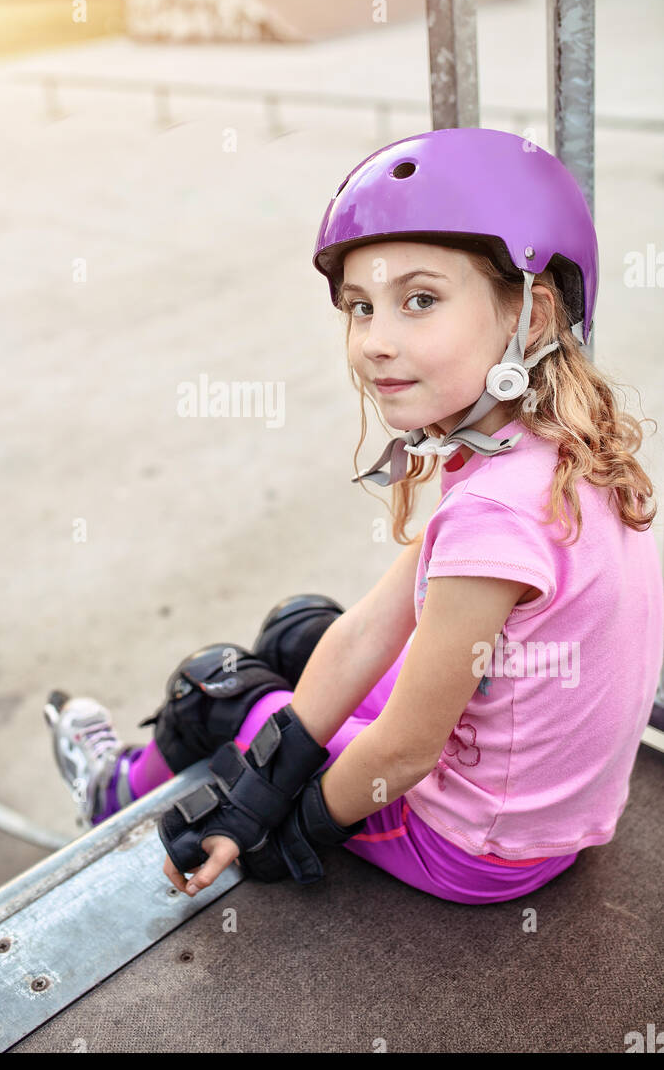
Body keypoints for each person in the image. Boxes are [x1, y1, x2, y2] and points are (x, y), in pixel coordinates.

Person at [45, 127, 663, 906]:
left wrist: (272, 819)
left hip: (472, 847)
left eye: (420, 300)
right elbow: (371, 627)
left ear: (532, 317)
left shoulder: (493, 518)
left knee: (215, 688)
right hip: (555, 820)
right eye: (361, 308)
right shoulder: (554, 452)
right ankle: (214, 737)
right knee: (303, 635)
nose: (374, 342)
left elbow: (404, 754)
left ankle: (109, 790)